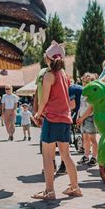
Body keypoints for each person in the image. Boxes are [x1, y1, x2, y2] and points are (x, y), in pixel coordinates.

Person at [32, 41, 82, 200]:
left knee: (48, 156)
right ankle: (75, 188)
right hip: (65, 118)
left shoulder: (48, 74)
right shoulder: (64, 75)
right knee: (66, 155)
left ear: (47, 58)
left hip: (52, 118)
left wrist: (38, 114)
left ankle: (49, 191)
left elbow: (45, 99)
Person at [76, 73, 98, 167]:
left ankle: (94, 157)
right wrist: (78, 116)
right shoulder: (83, 93)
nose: (84, 83)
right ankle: (86, 156)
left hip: (89, 118)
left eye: (86, 81)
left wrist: (82, 118)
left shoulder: (91, 93)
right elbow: (81, 106)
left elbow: (90, 109)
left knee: (92, 139)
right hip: (83, 118)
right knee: (85, 138)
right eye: (83, 81)